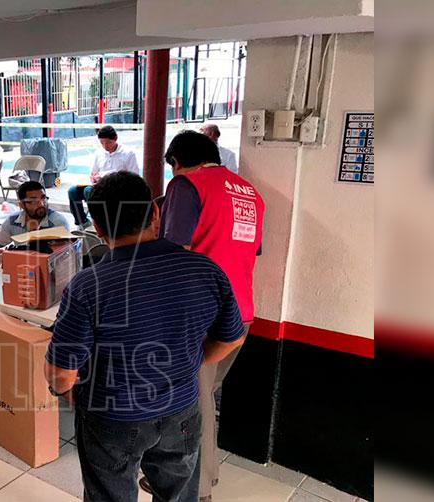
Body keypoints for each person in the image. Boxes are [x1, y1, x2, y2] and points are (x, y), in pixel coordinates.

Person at [45, 171, 246, 502]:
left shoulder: (88, 286)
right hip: (182, 409)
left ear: (97, 228)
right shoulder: (204, 269)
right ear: (155, 212)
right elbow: (232, 338)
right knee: (178, 495)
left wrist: (64, 390)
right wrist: (188, 365)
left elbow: (61, 373)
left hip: (112, 416)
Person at [154, 130, 265, 502]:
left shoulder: (187, 185)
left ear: (177, 162)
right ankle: (204, 474)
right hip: (241, 314)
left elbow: (174, 251)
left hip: (198, 315)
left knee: (195, 406)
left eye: (172, 168)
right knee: (204, 396)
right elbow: (251, 250)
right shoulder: (250, 193)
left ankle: (197, 490)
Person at [68, 125, 139, 227]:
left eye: (108, 142)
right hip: (99, 185)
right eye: (102, 143)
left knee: (89, 191)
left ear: (115, 139)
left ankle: (99, 223)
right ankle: (82, 222)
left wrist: (106, 175)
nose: (105, 146)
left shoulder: (128, 154)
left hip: (117, 188)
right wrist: (94, 178)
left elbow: (134, 177)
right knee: (72, 191)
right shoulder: (99, 153)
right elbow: (93, 172)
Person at [0, 181, 71, 257]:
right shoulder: (13, 221)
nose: (41, 204)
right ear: (21, 205)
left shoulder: (58, 223)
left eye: (43, 198)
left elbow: (62, 258)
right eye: (34, 201)